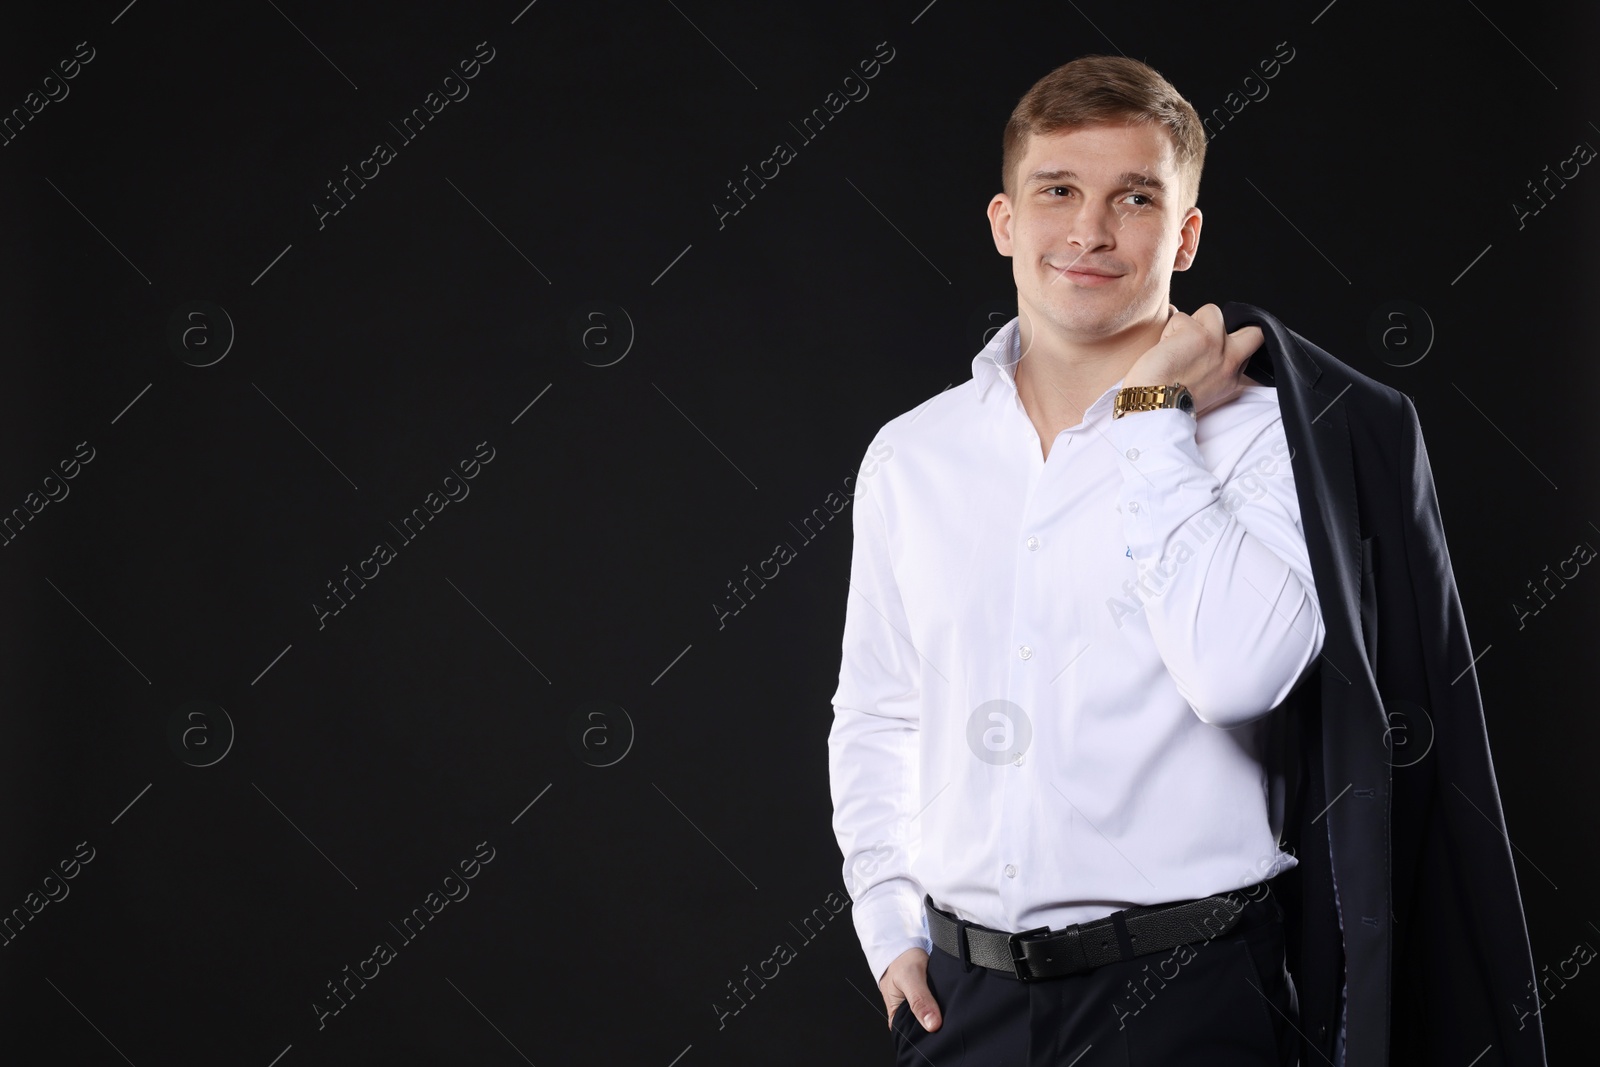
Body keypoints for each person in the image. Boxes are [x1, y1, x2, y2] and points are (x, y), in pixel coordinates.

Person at [826, 54, 1546, 1067]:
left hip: (1187, 999)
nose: (1088, 230)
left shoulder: (1279, 439)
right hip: (963, 1006)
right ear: (1003, 221)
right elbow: (879, 709)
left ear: (1185, 233)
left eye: (1134, 197)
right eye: (1058, 192)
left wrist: (1150, 424)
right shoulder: (912, 455)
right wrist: (887, 921)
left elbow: (1233, 677)